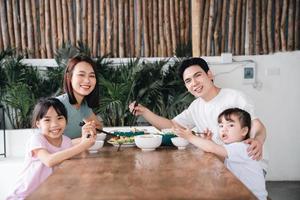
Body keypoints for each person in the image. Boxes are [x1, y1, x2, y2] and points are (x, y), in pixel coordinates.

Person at [129, 57, 266, 162]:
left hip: (247, 163)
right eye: (188, 81)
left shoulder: (234, 96)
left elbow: (256, 124)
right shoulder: (196, 106)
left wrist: (258, 140)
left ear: (209, 75)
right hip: (221, 162)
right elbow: (172, 126)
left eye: (197, 75)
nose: (194, 83)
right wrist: (145, 112)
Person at [6, 98, 96, 200]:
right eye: (47, 120)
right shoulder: (37, 139)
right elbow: (49, 161)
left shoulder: (66, 141)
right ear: (38, 123)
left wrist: (86, 135)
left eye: (59, 118)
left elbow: (74, 143)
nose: (55, 124)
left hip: (45, 195)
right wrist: (83, 145)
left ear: (66, 120)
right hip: (23, 196)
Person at [173, 108, 268, 200]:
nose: (224, 129)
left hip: (252, 197)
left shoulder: (242, 147)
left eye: (230, 125)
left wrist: (189, 137)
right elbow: (222, 158)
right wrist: (209, 140)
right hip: (242, 193)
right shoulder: (232, 149)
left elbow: (212, 148)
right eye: (221, 126)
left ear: (244, 131)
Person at [57, 55, 102, 140]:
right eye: (81, 75)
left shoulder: (83, 105)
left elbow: (99, 127)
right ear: (69, 77)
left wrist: (90, 129)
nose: (87, 80)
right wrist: (83, 138)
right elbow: (52, 144)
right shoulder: (57, 105)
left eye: (92, 76)